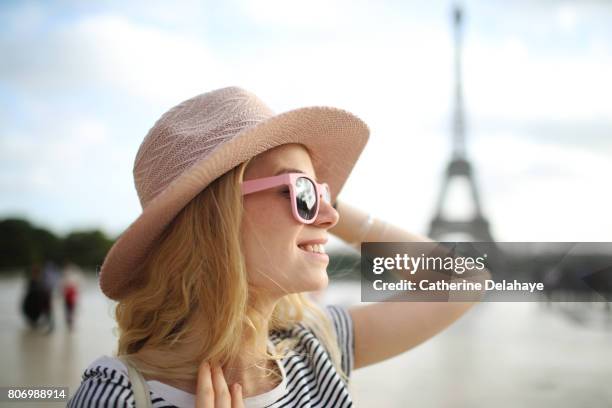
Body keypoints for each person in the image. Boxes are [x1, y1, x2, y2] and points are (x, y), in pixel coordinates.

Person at [68, 87, 484, 407]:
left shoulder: (315, 346)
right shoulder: (116, 395)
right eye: (302, 192)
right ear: (217, 216)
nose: (330, 217)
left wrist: (326, 200)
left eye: (327, 196)